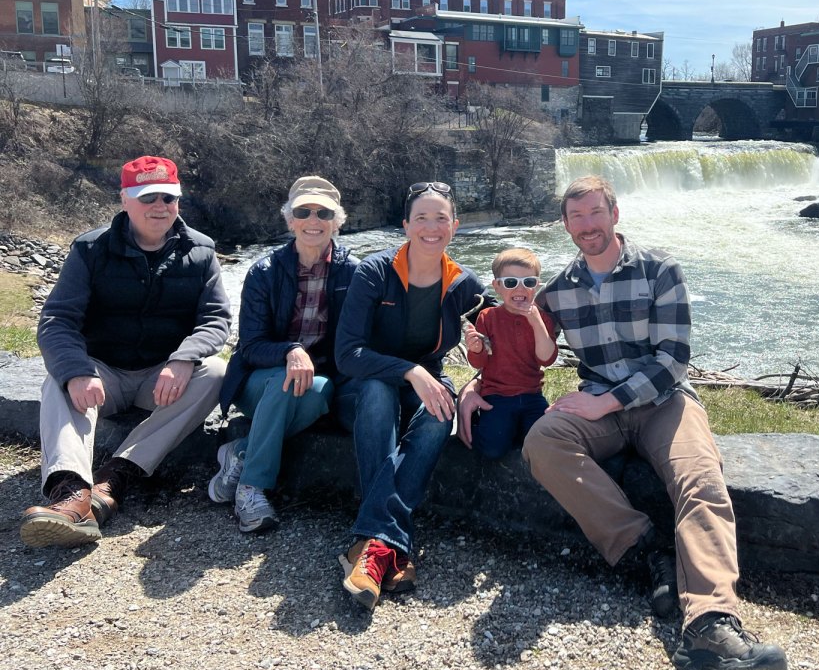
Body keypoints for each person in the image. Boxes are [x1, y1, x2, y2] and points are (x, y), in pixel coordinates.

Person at [460, 175, 788, 670]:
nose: (587, 225)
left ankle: (711, 621)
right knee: (543, 441)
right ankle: (644, 551)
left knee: (699, 478)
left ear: (615, 214)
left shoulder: (660, 270)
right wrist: (471, 386)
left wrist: (609, 401)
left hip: (663, 401)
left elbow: (674, 358)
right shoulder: (559, 289)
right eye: (577, 217)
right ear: (565, 225)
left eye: (595, 213)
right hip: (598, 407)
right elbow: (508, 328)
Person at [20, 156, 231, 548]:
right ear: (125, 200)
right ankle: (70, 492)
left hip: (161, 378)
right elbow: (58, 320)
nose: (160, 206)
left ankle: (115, 479)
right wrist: (78, 370)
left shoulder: (201, 252)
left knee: (216, 373)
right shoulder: (90, 249)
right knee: (57, 379)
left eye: (169, 198)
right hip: (103, 375)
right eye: (148, 196)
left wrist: (184, 358)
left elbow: (216, 319)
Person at [334, 181, 491, 611]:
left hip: (425, 382)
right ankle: (392, 550)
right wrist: (410, 370)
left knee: (441, 414)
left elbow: (501, 333)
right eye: (421, 217)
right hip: (365, 388)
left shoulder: (463, 283)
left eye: (441, 218)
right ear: (405, 225)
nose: (431, 227)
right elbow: (348, 354)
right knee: (380, 392)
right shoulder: (374, 272)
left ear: (455, 226)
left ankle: (371, 546)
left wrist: (476, 382)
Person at [208, 176, 359, 533]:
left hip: (317, 383)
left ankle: (240, 453)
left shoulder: (352, 272)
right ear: (290, 220)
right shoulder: (264, 272)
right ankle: (252, 488)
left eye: (323, 213)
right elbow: (251, 345)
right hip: (257, 381)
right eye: (303, 211)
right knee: (284, 381)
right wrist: (290, 350)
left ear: (337, 222)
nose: (313, 220)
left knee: (319, 390)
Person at [459, 248, 557, 459]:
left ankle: (517, 430)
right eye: (511, 282)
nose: (520, 288)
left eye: (528, 282)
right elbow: (479, 363)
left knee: (543, 441)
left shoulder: (542, 319)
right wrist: (475, 349)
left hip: (532, 395)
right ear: (497, 287)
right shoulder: (488, 317)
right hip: (497, 395)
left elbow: (547, 358)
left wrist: (537, 323)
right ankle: (481, 423)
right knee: (492, 449)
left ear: (536, 286)